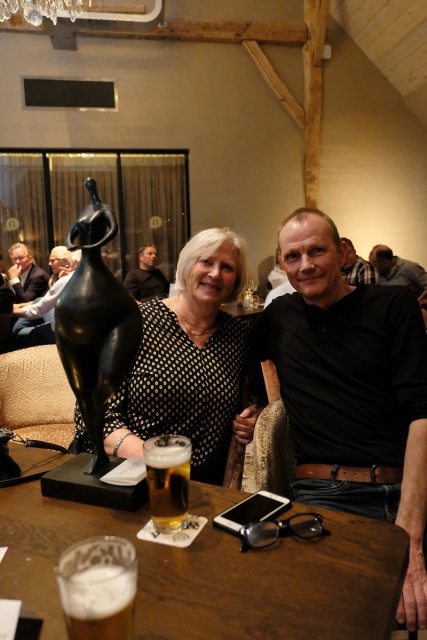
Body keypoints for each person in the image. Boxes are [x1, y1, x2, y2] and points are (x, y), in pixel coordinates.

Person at [252, 207, 427, 633]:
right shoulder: (278, 317)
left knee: (411, 607)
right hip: (326, 494)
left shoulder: (393, 305)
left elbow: (422, 413)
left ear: (343, 252)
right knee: (332, 616)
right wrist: (249, 413)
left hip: (410, 489)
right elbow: (222, 355)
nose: (305, 265)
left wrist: (410, 536)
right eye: (292, 256)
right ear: (282, 264)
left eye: (317, 251)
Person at [71, 228, 258, 485]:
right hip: (123, 477)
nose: (215, 273)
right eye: (206, 262)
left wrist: (250, 420)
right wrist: (161, 463)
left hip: (202, 487)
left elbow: (248, 402)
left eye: (227, 267)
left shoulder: (239, 336)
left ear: (236, 280)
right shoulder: (134, 324)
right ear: (186, 266)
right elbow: (93, 414)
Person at [11, 249, 80, 349]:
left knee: (19, 332)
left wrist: (9, 310)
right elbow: (45, 300)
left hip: (64, 332)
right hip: (70, 323)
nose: (49, 264)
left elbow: (33, 305)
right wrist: (19, 306)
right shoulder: (56, 277)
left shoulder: (40, 275)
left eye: (53, 260)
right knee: (38, 299)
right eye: (14, 258)